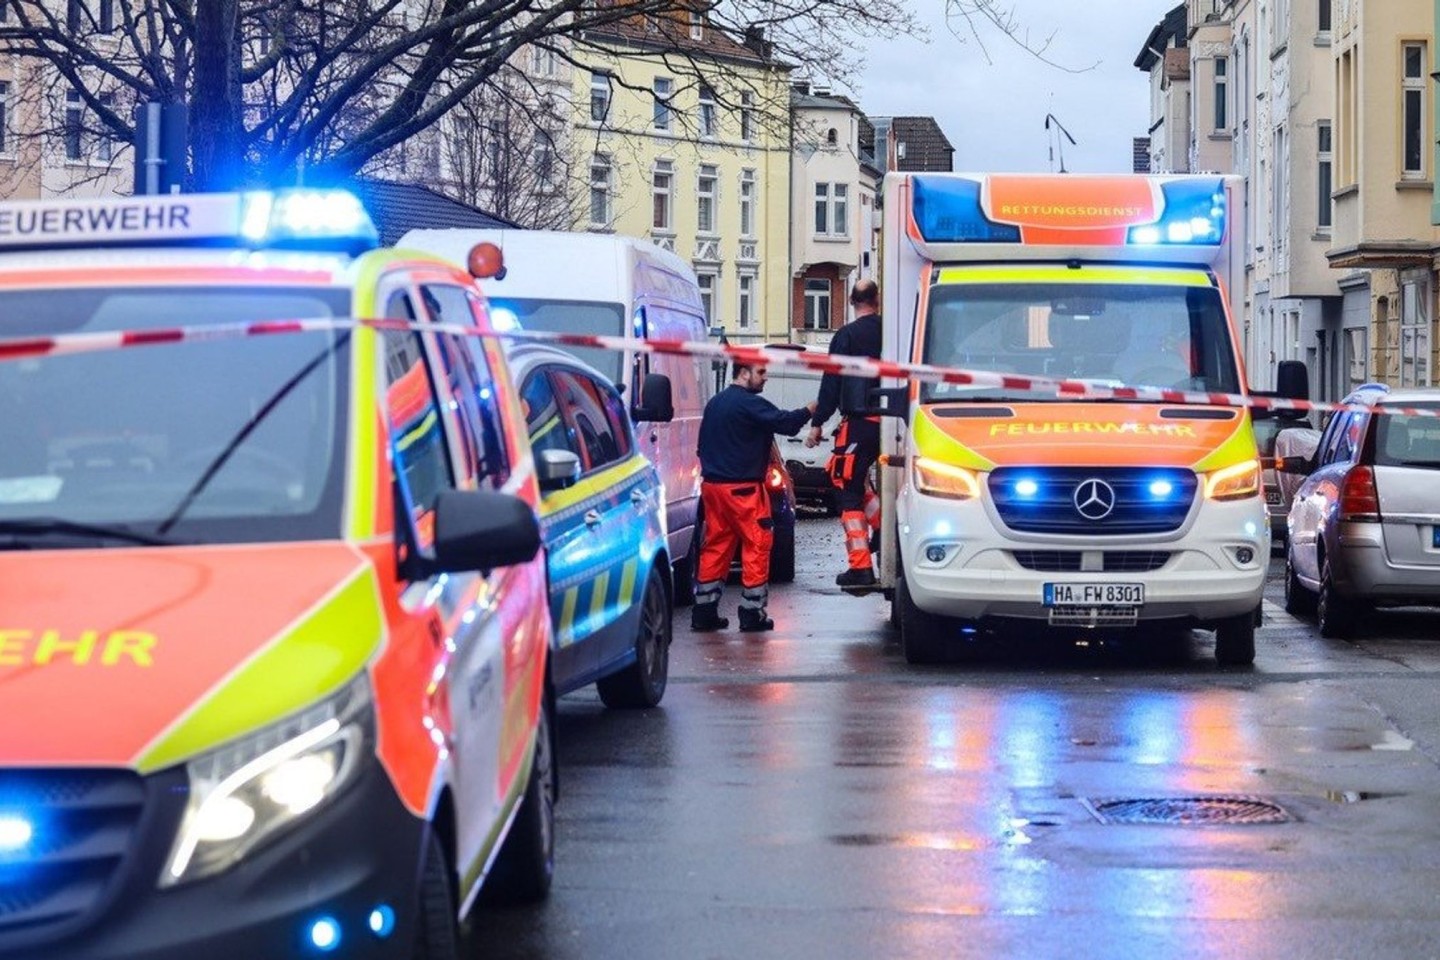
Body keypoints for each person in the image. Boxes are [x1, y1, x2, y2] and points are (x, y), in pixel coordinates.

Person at [693, 361, 816, 633]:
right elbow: (786, 423)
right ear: (744, 373)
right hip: (744, 490)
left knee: (716, 545)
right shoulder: (750, 404)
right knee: (757, 545)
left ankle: (704, 612)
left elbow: (701, 446)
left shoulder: (715, 404)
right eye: (761, 372)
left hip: (714, 488)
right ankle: (752, 614)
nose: (766, 378)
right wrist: (810, 409)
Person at [805, 279, 883, 589]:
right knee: (860, 484)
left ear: (851, 301)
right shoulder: (893, 331)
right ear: (877, 300)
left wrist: (818, 422)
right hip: (893, 423)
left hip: (859, 422)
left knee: (846, 485)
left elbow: (832, 383)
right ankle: (886, 530)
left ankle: (861, 567)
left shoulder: (846, 336)